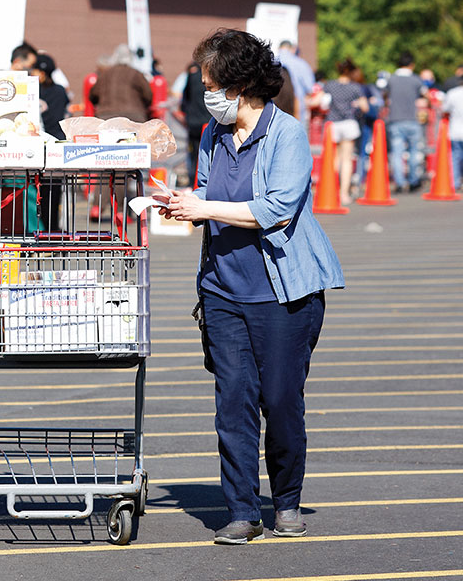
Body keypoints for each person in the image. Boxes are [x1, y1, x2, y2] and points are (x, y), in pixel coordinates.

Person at [156, 28, 343, 544]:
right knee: (232, 401)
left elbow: (278, 209)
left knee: (281, 400)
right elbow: (205, 193)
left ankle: (285, 500)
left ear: (240, 87)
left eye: (211, 85)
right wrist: (177, 202)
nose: (206, 96)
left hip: (282, 292)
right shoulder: (215, 136)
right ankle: (241, 509)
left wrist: (204, 207)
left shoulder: (287, 135)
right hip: (222, 290)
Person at [321, 59, 369, 205]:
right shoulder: (355, 88)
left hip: (333, 123)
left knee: (334, 159)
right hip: (349, 123)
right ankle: (344, 194)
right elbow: (365, 107)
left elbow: (319, 100)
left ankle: (332, 189)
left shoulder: (330, 85)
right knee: (347, 159)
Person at [383, 53, 428, 192]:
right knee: (414, 151)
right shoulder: (416, 80)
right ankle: (413, 180)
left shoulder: (391, 80)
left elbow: (384, 95)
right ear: (412, 65)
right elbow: (426, 95)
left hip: (395, 119)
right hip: (412, 119)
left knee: (397, 153)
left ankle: (400, 182)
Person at [33, 53, 67, 230]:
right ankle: (52, 230)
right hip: (58, 144)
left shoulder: (33, 90)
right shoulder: (60, 91)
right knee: (54, 193)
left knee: (36, 192)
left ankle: (38, 229)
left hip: (40, 144)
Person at [88, 44, 152, 122]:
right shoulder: (136, 74)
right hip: (134, 116)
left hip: (106, 116)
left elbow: (92, 95)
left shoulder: (105, 74)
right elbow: (148, 96)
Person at [180, 63, 210, 181]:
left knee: (194, 155)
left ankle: (194, 181)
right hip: (208, 122)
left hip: (193, 124)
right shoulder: (212, 78)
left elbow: (184, 100)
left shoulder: (191, 78)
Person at [276, 40, 315, 127]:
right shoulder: (302, 64)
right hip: (296, 112)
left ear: (279, 48)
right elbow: (310, 89)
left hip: (272, 109)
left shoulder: (270, 63)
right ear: (293, 49)